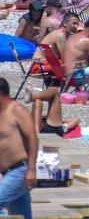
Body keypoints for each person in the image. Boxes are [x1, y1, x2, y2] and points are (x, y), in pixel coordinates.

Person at [0, 78, 37, 219]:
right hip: (7, 173)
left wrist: (32, 169)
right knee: (22, 215)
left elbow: (33, 139)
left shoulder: (17, 110)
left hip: (20, 171)